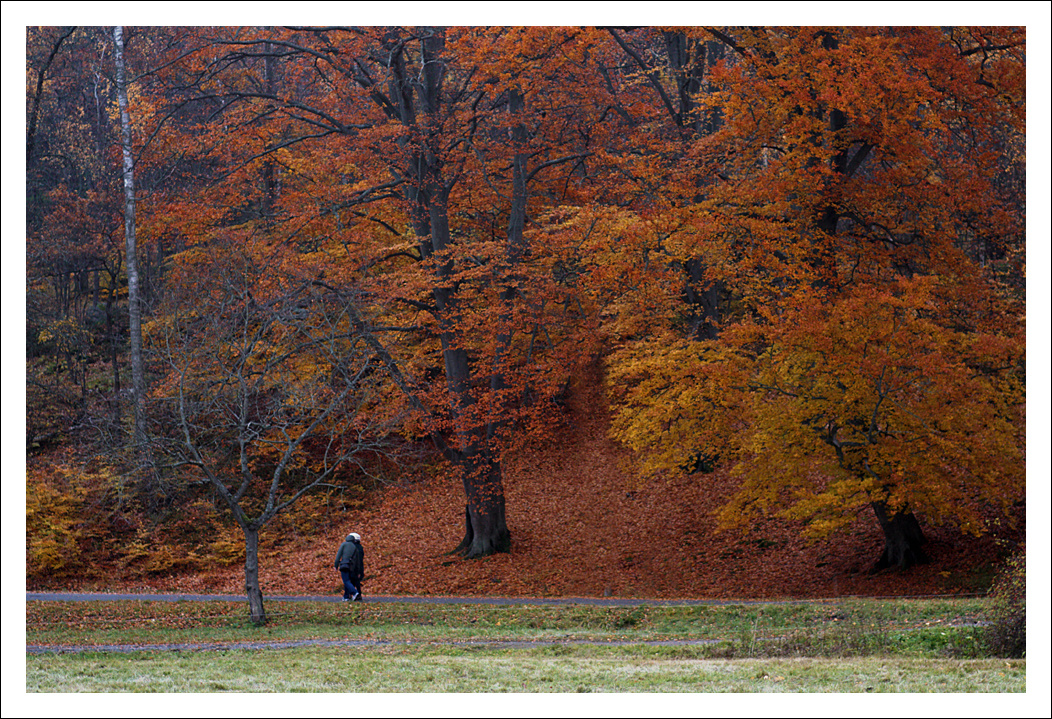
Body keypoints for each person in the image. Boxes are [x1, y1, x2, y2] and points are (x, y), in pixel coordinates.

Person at [334, 532, 364, 602]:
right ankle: (346, 597)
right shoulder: (355, 547)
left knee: (346, 581)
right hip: (352, 567)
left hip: (344, 565)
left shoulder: (344, 544)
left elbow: (338, 555)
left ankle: (355, 592)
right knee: (348, 581)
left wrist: (336, 565)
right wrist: (359, 570)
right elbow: (358, 561)